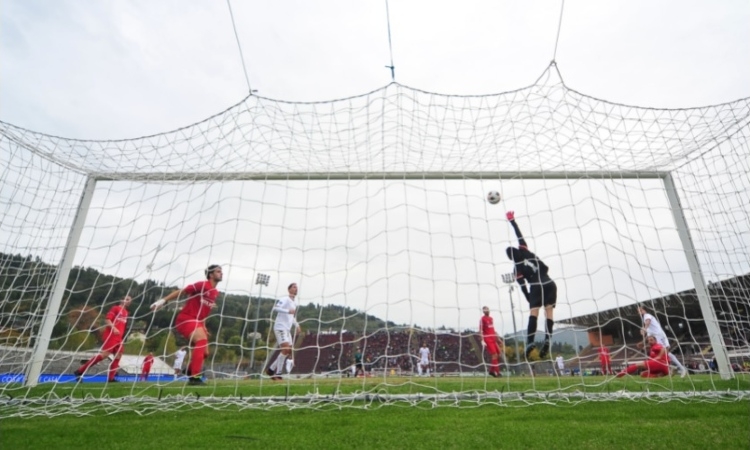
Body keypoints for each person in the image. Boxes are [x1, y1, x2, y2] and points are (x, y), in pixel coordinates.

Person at [150, 264, 223, 386]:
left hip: (197, 321)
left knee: (205, 353)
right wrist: (163, 301)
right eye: (218, 271)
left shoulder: (215, 292)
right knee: (201, 340)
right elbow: (182, 291)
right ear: (211, 274)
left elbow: (204, 311)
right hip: (186, 318)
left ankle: (189, 370)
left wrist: (203, 325)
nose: (221, 273)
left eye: (221, 271)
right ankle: (194, 377)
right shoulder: (202, 285)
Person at [505, 211, 557, 359]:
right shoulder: (524, 249)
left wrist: (530, 299)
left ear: (510, 258)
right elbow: (518, 234)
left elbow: (523, 287)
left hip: (536, 285)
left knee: (534, 313)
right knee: (549, 313)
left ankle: (530, 342)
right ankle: (548, 340)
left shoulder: (517, 269)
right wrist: (512, 221)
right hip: (549, 282)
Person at [74, 295, 132, 383]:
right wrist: (114, 328)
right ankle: (79, 371)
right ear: (122, 300)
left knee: (118, 355)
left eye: (129, 300)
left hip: (119, 338)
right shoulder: (115, 308)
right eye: (127, 299)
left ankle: (111, 378)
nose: (128, 301)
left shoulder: (126, 313)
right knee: (105, 355)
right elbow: (107, 320)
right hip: (111, 335)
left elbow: (122, 326)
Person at [638, 306, 687, 377]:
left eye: (640, 310)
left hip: (659, 336)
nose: (639, 311)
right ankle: (675, 369)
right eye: (638, 310)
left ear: (645, 310)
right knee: (665, 353)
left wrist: (644, 329)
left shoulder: (647, 315)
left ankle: (680, 368)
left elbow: (648, 322)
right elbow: (649, 336)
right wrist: (642, 342)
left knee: (664, 353)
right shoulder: (645, 320)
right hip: (657, 337)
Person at [265, 282, 301, 380]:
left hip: (287, 329)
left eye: (296, 287)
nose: (296, 289)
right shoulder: (285, 299)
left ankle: (271, 370)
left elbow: (291, 316)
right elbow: (275, 308)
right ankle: (278, 374)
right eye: (294, 287)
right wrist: (287, 311)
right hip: (280, 327)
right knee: (285, 349)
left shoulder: (294, 303)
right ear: (289, 289)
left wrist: (297, 325)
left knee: (288, 350)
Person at [479, 306, 504, 377]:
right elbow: (480, 330)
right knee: (494, 355)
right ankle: (497, 372)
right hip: (488, 339)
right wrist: (482, 340)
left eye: (487, 309)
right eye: (485, 310)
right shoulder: (482, 319)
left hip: (493, 339)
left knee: (499, 354)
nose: (487, 311)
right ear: (483, 311)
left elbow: (493, 330)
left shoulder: (491, 319)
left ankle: (491, 371)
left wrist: (498, 339)